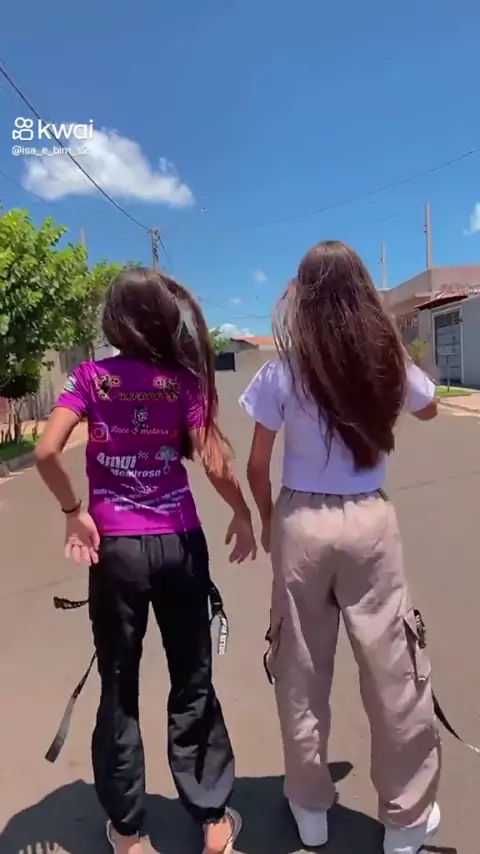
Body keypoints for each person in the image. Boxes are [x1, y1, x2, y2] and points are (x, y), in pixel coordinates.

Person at [35, 268, 257, 854]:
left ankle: (129, 831)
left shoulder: (89, 378)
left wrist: (74, 512)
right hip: (179, 543)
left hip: (117, 552)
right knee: (193, 678)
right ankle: (212, 818)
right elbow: (214, 463)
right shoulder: (181, 381)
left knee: (118, 683)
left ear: (115, 320)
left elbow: (46, 450)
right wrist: (242, 513)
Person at [239, 240, 441, 854]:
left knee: (300, 669)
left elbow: (256, 465)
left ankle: (310, 806)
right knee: (393, 669)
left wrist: (271, 519)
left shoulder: (283, 369)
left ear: (302, 295)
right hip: (370, 523)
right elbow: (430, 409)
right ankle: (406, 821)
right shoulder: (384, 358)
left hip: (301, 521)